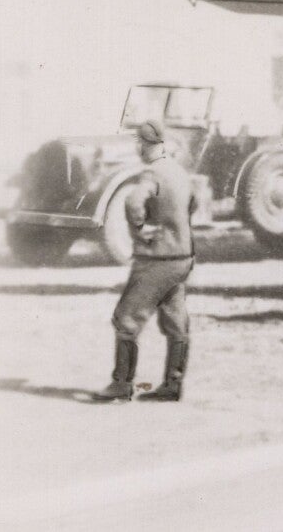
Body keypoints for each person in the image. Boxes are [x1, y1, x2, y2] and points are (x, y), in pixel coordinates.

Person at [96, 120, 198, 403]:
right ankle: (173, 384)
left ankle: (121, 385)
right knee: (176, 320)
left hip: (156, 257)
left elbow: (133, 202)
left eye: (138, 143)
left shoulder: (152, 173)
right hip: (182, 257)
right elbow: (194, 204)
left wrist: (140, 229)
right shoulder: (179, 172)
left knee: (125, 318)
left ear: (143, 145)